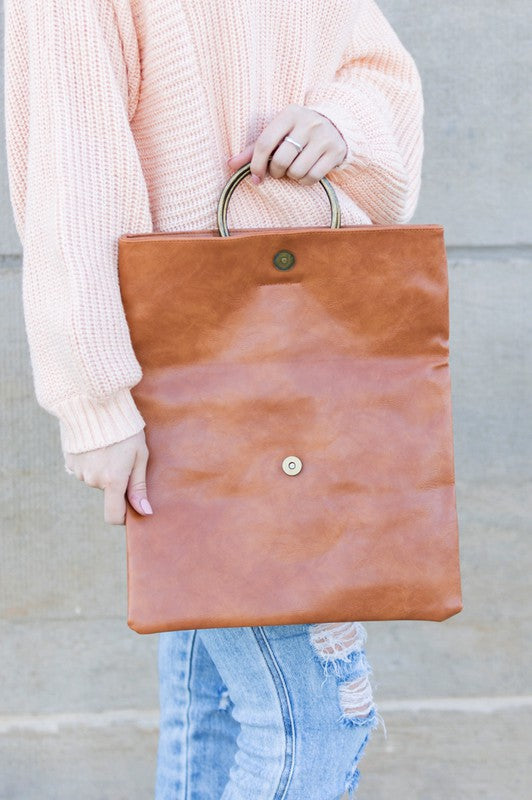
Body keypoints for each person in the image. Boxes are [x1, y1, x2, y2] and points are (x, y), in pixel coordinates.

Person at [4, 1, 424, 797]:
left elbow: (378, 68)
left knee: (218, 710)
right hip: (191, 373)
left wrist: (340, 124)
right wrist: (98, 397)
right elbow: (71, 165)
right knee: (314, 719)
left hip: (318, 348)